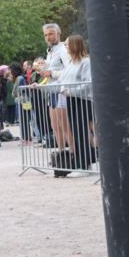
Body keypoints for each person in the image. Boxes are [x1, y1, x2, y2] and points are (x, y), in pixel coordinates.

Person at [56, 35, 95, 171]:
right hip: (72, 100)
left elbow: (88, 83)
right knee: (76, 131)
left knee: (81, 132)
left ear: (74, 45)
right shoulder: (71, 63)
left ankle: (84, 163)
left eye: (67, 45)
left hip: (83, 101)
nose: (65, 47)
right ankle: (83, 162)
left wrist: (72, 91)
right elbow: (61, 81)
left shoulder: (86, 62)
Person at [43, 23, 72, 152]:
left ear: (58, 34)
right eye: (46, 35)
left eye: (51, 34)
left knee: (65, 126)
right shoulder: (50, 51)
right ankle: (61, 153)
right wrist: (43, 69)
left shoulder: (63, 49)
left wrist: (52, 73)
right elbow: (50, 70)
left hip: (62, 91)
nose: (48, 37)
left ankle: (74, 153)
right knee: (54, 126)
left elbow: (69, 70)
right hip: (52, 91)